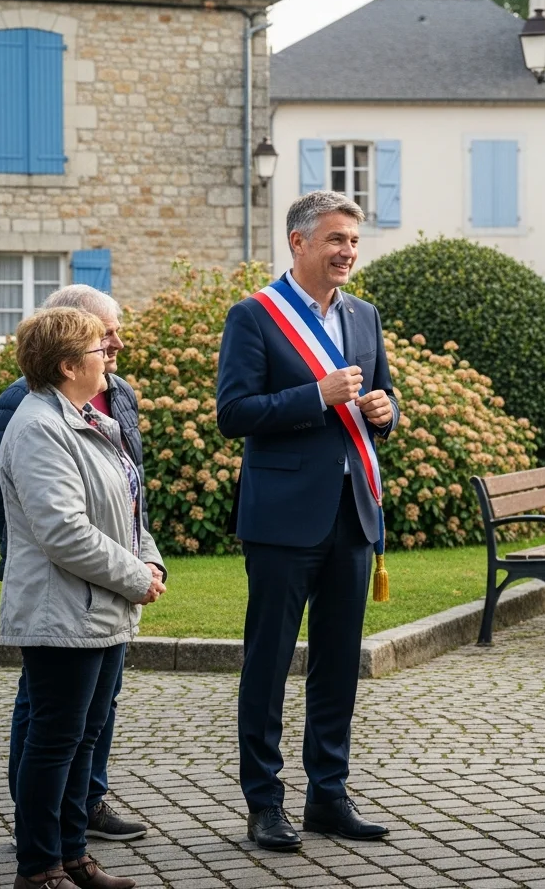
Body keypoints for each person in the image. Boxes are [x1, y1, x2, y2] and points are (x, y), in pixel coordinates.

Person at [217, 190, 399, 852]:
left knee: (336, 663)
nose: (348, 251)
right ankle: (263, 802)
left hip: (352, 515)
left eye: (354, 240)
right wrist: (314, 396)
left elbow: (383, 394)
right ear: (299, 243)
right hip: (281, 519)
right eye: (336, 240)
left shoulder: (364, 316)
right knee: (267, 664)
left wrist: (387, 411)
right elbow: (233, 413)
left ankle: (329, 794)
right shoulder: (255, 317)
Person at [0, 308, 167, 889]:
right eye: (99, 348)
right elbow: (64, 531)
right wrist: (134, 576)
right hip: (61, 613)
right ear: (69, 365)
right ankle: (39, 869)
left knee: (82, 741)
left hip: (99, 609)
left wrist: (150, 560)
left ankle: (73, 858)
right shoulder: (40, 426)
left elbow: (125, 504)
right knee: (55, 745)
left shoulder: (84, 418)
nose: (110, 354)